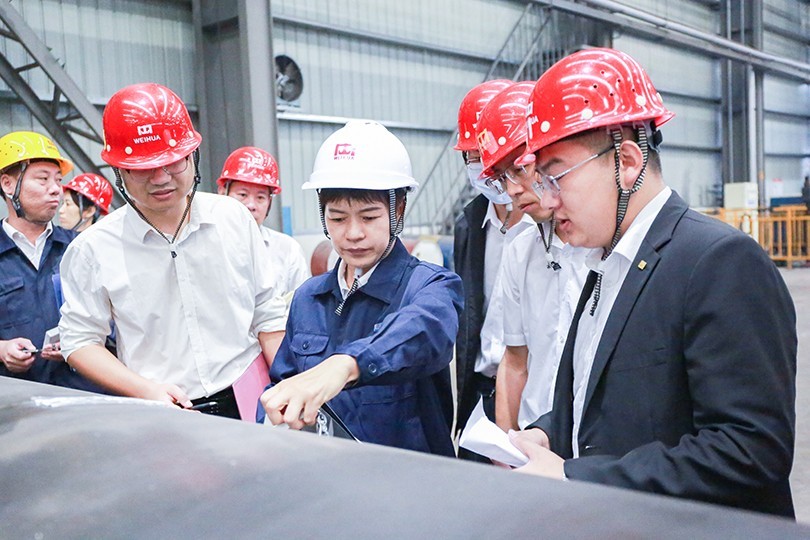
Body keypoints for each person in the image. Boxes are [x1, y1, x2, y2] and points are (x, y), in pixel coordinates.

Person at [510, 48, 797, 518]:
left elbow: (750, 450)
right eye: (542, 181)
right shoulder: (604, 261)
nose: (548, 199)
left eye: (556, 176)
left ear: (625, 161)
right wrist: (547, 431)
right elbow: (603, 395)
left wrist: (575, 476)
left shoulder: (719, 262)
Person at [58, 83, 287, 420]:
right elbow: (79, 340)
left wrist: (287, 384)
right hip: (161, 409)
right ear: (119, 170)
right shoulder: (94, 249)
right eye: (143, 168)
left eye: (174, 162)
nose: (161, 178)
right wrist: (144, 389)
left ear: (193, 156)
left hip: (249, 394)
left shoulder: (232, 218)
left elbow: (267, 311)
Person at [260, 121, 463, 456]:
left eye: (369, 217)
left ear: (398, 209)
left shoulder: (430, 286)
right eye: (338, 218)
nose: (353, 234)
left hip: (411, 478)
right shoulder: (309, 298)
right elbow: (285, 383)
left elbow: (426, 330)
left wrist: (345, 365)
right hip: (327, 475)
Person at [471, 82, 588, 432]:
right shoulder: (521, 251)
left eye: (519, 168)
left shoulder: (606, 247)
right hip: (532, 438)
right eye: (502, 177)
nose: (511, 190)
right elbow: (514, 362)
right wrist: (506, 446)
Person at [452, 79, 533, 461]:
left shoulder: (557, 229)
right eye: (475, 157)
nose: (488, 169)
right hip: (481, 394)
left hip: (537, 398)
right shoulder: (469, 226)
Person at [0, 131, 102, 392]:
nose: (56, 189)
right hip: (15, 402)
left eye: (58, 179)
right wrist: (1, 349)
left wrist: (79, 345)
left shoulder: (80, 248)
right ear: (8, 185)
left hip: (82, 395)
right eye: (43, 179)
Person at [217, 146, 310, 297]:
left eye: (260, 197)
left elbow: (301, 304)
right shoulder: (205, 244)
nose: (251, 205)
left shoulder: (288, 250)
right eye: (242, 194)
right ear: (222, 192)